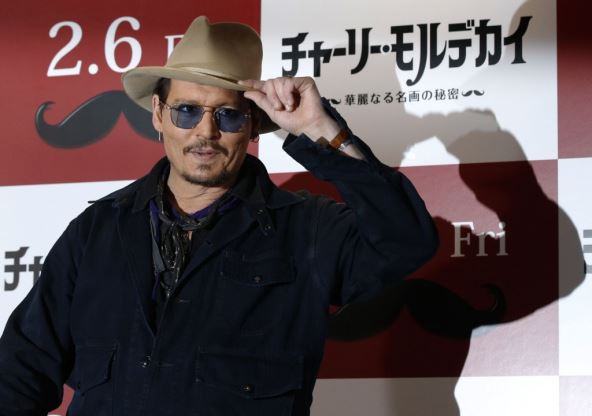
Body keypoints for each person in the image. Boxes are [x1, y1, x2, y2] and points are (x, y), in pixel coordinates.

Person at [0, 16, 438, 415]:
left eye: (227, 116)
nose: (205, 132)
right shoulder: (96, 231)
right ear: (158, 114)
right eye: (186, 111)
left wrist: (322, 131)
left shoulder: (308, 229)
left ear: (253, 126)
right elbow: (20, 371)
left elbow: (406, 241)